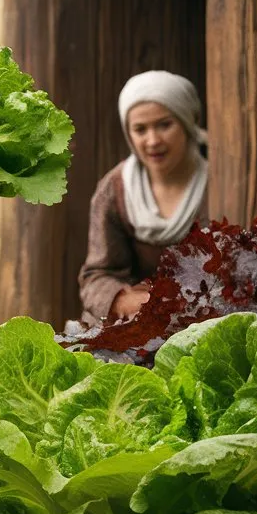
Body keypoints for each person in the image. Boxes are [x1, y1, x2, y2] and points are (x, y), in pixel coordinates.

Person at [78, 70, 209, 324]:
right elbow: (97, 274)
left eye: (164, 125)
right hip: (135, 319)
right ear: (129, 134)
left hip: (203, 318)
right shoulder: (115, 189)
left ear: (188, 122)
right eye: (140, 129)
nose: (152, 141)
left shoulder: (220, 184)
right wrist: (126, 302)